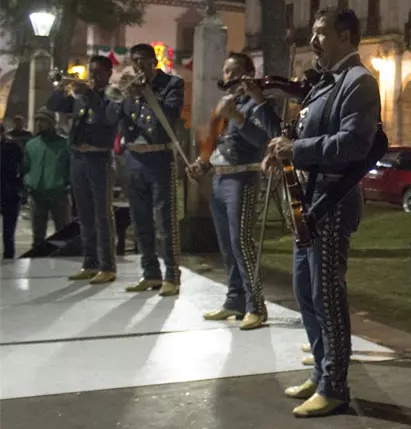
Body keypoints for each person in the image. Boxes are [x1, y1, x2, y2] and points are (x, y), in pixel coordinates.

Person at [265, 8, 380, 418]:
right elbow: (305, 131)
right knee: (305, 291)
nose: (313, 41)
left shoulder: (358, 82)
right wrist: (283, 147)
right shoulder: (325, 81)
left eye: (321, 33)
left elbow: (354, 144)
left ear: (346, 37)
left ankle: (335, 385)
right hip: (308, 200)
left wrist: (296, 150)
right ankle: (320, 371)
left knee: (327, 295)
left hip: (332, 199)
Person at [188, 52, 281, 330]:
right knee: (226, 245)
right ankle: (234, 300)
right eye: (227, 71)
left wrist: (237, 117)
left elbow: (262, 140)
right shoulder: (225, 103)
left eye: (236, 71)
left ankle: (256, 306)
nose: (229, 77)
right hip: (219, 177)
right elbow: (215, 140)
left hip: (243, 178)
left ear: (249, 74)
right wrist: (202, 163)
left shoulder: (257, 103)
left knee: (242, 243)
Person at [118, 43, 186, 296]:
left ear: (154, 62)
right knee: (140, 220)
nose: (139, 66)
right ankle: (150, 273)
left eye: (143, 60)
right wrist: (122, 94)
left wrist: (146, 92)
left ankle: (172, 275)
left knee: (165, 220)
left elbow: (168, 116)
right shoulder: (129, 89)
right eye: (135, 61)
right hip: (134, 159)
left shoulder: (172, 84)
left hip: (159, 158)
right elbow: (114, 117)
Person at [47, 56, 122, 283]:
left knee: (102, 215)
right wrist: (61, 88)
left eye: (98, 72)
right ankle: (89, 262)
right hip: (78, 158)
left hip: (99, 159)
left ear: (109, 73)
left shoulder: (112, 95)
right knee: (84, 214)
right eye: (91, 72)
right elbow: (53, 106)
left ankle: (107, 266)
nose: (93, 77)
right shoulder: (80, 96)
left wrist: (89, 95)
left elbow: (107, 119)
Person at [22, 108, 70, 249]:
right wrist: (28, 183)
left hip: (59, 194)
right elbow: (26, 167)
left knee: (62, 232)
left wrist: (65, 184)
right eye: (37, 120)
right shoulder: (31, 145)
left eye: (43, 120)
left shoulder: (65, 145)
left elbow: (70, 167)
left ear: (52, 123)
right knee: (38, 234)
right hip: (37, 194)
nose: (39, 124)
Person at [0, 124, 23, 258]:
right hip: (10, 191)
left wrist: (19, 187)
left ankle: (8, 257)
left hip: (10, 194)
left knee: (8, 232)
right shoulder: (13, 146)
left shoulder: (13, 147)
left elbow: (22, 167)